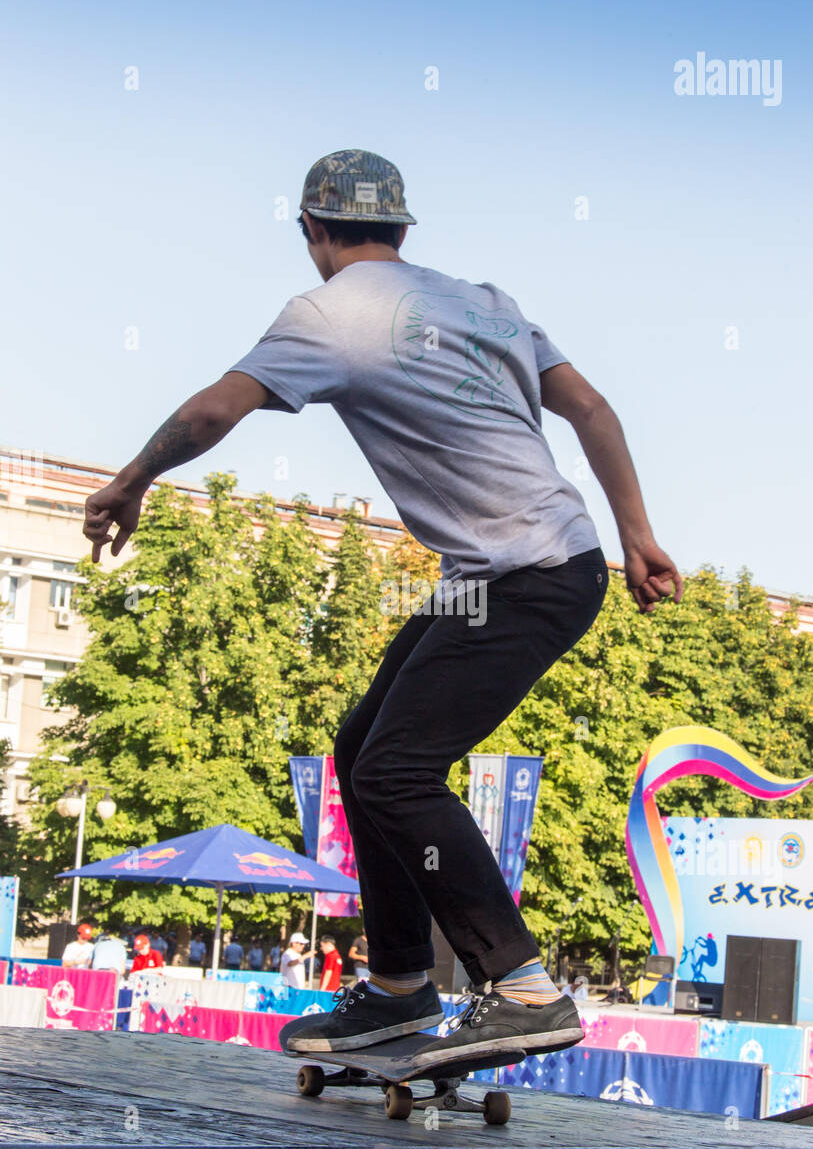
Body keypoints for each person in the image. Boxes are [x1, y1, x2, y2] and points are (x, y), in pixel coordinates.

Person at [83, 148, 683, 1067]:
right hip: (540, 564)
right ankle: (400, 986)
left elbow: (213, 412)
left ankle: (522, 986)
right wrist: (638, 532)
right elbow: (592, 409)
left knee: (396, 770)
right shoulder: (487, 300)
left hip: (523, 575)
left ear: (312, 234)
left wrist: (132, 481)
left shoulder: (325, 315)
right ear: (404, 230)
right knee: (361, 751)